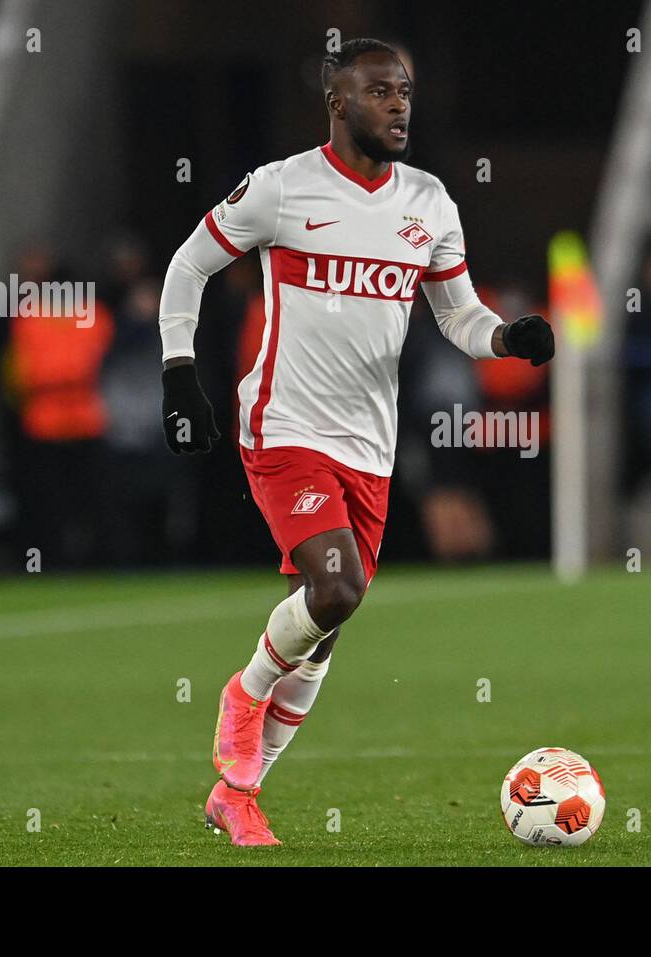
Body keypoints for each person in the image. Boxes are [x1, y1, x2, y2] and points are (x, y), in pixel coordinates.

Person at [156, 39, 554, 846]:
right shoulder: (281, 188)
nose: (399, 105)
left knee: (328, 623)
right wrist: (177, 373)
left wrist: (508, 337)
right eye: (380, 92)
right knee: (336, 588)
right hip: (284, 426)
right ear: (338, 104)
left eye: (405, 91)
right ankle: (244, 694)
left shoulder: (431, 202)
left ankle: (239, 794)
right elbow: (188, 264)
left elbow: (457, 315)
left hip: (369, 444)